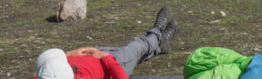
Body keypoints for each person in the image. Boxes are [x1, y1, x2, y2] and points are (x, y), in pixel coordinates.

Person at [33, 5, 177, 79]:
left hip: (94, 53)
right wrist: (106, 58)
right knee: (137, 47)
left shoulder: (45, 74)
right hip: (113, 64)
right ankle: (157, 32)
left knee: (137, 54)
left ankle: (161, 46)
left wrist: (69, 54)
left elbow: (48, 66)